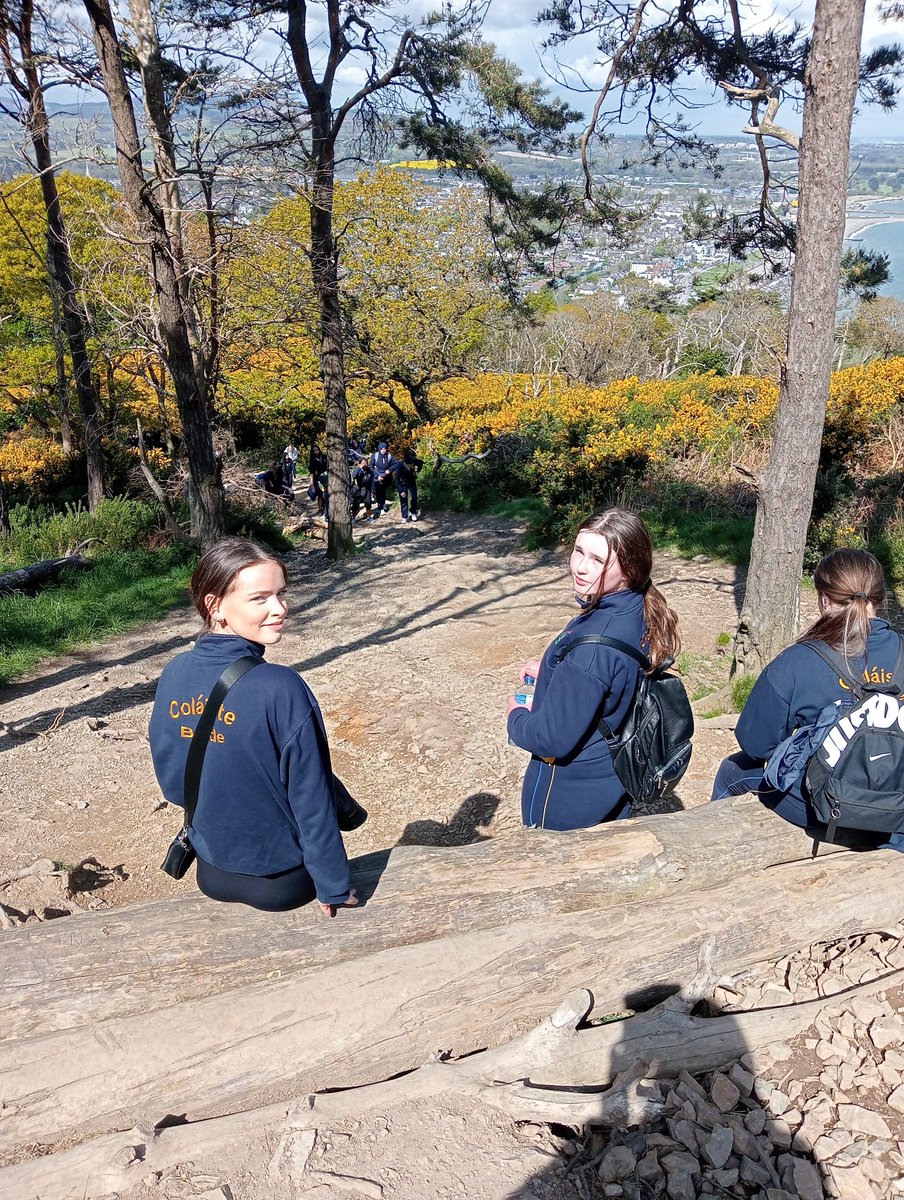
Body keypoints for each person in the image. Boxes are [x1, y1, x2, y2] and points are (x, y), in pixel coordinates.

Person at [148, 538, 359, 915]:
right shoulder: (281, 686)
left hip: (212, 872)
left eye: (281, 594)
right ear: (215, 606)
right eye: (259, 598)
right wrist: (333, 886)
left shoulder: (175, 671)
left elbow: (173, 784)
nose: (280, 609)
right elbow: (311, 800)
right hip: (282, 882)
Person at [711, 547, 904, 849]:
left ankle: (713, 851)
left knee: (732, 770)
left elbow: (755, 744)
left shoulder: (799, 660)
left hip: (830, 807)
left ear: (825, 601)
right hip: (896, 806)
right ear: (879, 601)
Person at [507, 508, 680, 831]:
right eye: (578, 551)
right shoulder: (635, 606)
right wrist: (548, 669)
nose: (581, 568)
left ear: (628, 569)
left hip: (566, 796)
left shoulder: (590, 654)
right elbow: (607, 681)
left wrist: (515, 715)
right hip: (611, 777)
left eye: (598, 560)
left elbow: (550, 740)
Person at [370, 442, 398, 515]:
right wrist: (377, 476)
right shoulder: (375, 456)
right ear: (379, 449)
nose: (383, 450)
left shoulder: (389, 456)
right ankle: (380, 507)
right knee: (378, 493)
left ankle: (382, 507)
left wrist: (390, 470)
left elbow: (396, 464)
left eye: (385, 449)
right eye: (382, 449)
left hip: (385, 477)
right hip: (377, 477)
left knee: (383, 492)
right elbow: (371, 467)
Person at [396, 447, 423, 523]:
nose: (411, 466)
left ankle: (413, 512)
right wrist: (400, 490)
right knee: (404, 499)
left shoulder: (413, 461)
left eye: (412, 464)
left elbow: (421, 462)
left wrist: (417, 472)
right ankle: (404, 516)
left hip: (412, 482)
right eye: (410, 465)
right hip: (403, 483)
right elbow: (397, 480)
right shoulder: (400, 466)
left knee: (414, 497)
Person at [351, 456, 374, 522]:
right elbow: (354, 476)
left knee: (368, 503)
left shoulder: (369, 470)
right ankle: (354, 517)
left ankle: (369, 517)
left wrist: (372, 491)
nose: (364, 464)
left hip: (367, 488)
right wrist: (359, 467)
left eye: (366, 462)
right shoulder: (358, 470)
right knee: (356, 503)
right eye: (363, 463)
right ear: (360, 463)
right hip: (358, 488)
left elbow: (372, 479)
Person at [309, 444, 328, 514]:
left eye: (317, 450)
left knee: (325, 493)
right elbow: (311, 472)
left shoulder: (324, 457)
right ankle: (320, 509)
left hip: (325, 477)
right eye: (314, 450)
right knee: (320, 494)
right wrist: (311, 482)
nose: (316, 451)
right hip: (317, 479)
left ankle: (326, 508)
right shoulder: (312, 460)